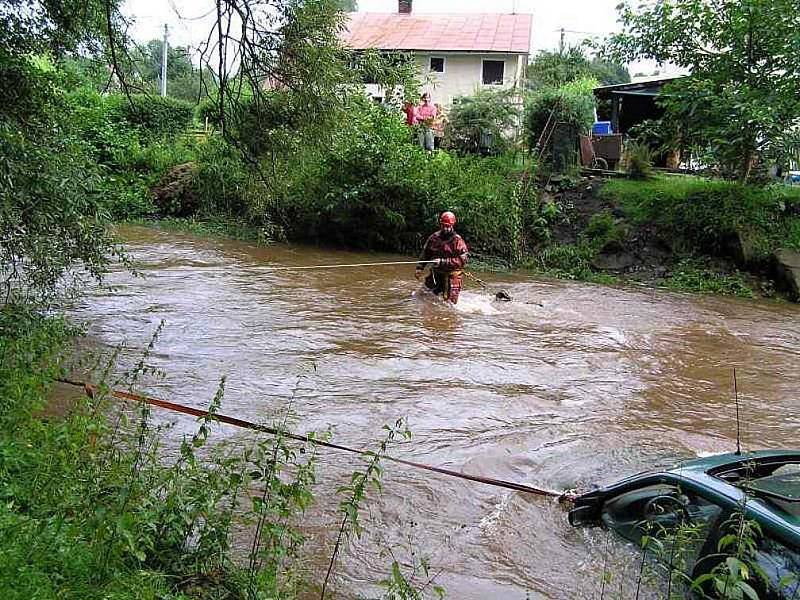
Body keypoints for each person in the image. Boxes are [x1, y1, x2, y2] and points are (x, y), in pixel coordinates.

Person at [415, 211, 468, 304]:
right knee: (421, 295)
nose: (446, 228)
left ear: (452, 225)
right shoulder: (434, 237)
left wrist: (443, 262)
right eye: (444, 225)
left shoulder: (458, 240)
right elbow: (426, 253)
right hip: (436, 273)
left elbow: (462, 260)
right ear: (441, 224)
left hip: (452, 276)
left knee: (450, 306)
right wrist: (419, 268)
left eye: (448, 226)